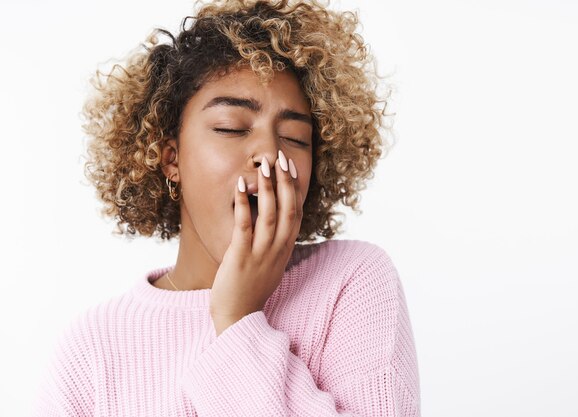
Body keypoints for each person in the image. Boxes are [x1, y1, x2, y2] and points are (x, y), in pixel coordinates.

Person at [32, 0, 420, 415]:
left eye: (294, 137)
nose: (269, 154)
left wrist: (237, 319)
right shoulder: (92, 348)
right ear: (170, 157)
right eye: (231, 128)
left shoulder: (352, 282)